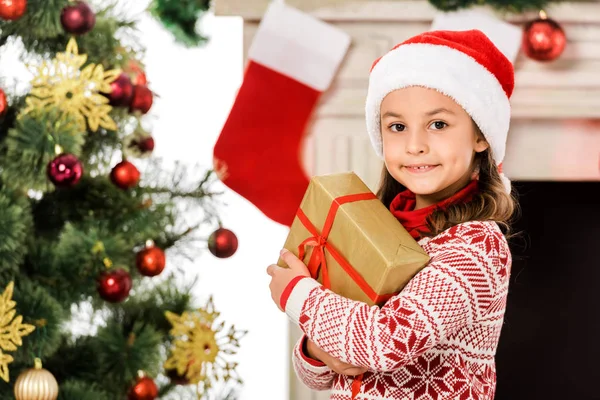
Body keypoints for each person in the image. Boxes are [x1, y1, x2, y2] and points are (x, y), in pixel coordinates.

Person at [266, 29, 519, 399]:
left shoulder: (478, 247)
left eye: (438, 124)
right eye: (397, 127)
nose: (415, 145)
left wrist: (298, 295)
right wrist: (317, 350)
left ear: (481, 136)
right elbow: (317, 376)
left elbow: (387, 341)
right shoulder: (377, 229)